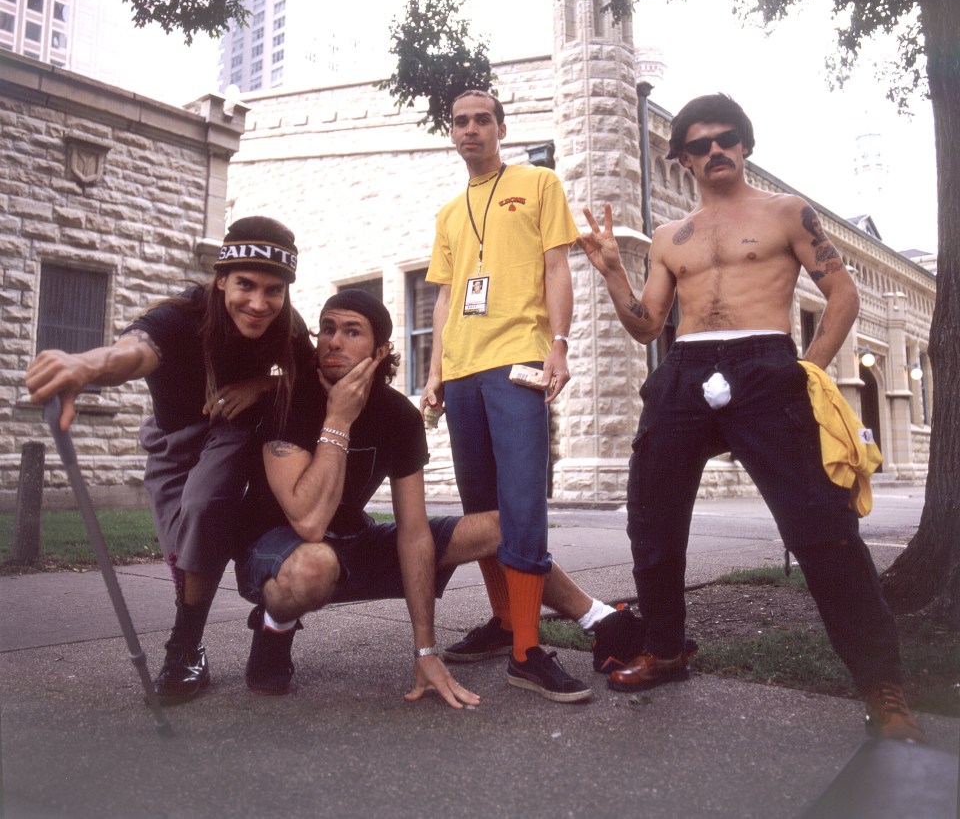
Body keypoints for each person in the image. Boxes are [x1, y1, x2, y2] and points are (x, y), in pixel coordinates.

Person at [578, 93, 925, 742]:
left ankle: (882, 684)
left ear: (744, 146)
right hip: (684, 368)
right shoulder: (669, 237)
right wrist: (613, 273)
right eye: (700, 143)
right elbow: (647, 325)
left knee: (822, 526)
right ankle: (666, 647)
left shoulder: (786, 212)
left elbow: (842, 294)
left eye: (726, 138)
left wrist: (807, 369)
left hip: (766, 364)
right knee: (651, 518)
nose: (715, 149)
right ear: (683, 158)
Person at [235, 290, 639, 705]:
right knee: (314, 565)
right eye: (327, 329)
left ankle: (602, 620)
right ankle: (274, 628)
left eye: (351, 332)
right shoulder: (291, 400)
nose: (333, 342)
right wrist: (338, 418)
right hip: (276, 555)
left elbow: (413, 534)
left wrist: (425, 651)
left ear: (380, 351)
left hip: (353, 544)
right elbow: (308, 522)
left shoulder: (398, 416)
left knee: (503, 527)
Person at [25, 216, 313, 705]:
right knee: (183, 547)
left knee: (202, 506)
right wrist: (85, 365)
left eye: (274, 290)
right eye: (245, 284)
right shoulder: (179, 316)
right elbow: (134, 352)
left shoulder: (286, 325)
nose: (258, 303)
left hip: (230, 432)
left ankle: (183, 649)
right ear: (221, 279)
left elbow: (307, 371)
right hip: (171, 439)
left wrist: (261, 385)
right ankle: (195, 643)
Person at [419, 89, 626, 703]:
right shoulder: (448, 213)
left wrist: (558, 344)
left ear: (501, 129)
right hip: (462, 370)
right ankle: (506, 621)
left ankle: (527, 651)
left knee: (523, 505)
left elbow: (557, 267)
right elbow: (445, 296)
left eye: (482, 120)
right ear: (451, 133)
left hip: (517, 360)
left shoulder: (538, 183)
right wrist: (434, 372)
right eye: (460, 122)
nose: (471, 129)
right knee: (483, 511)